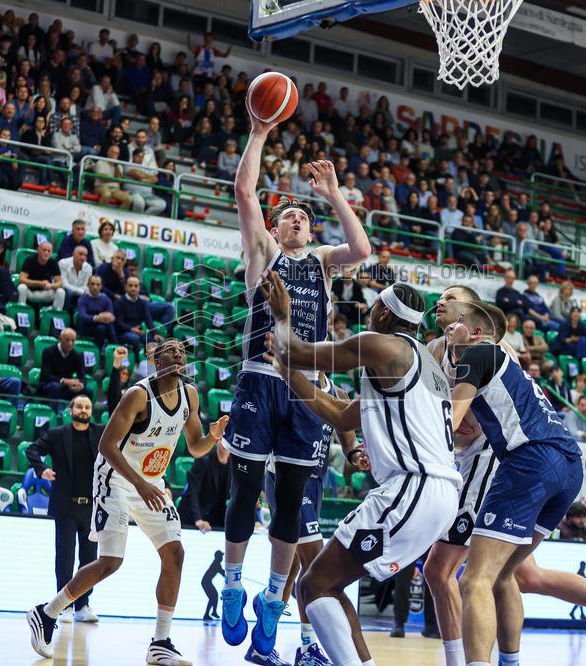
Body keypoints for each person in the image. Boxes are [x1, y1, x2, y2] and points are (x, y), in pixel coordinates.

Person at [218, 101, 369, 660]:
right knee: (245, 489)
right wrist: (258, 133)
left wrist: (333, 195)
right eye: (288, 215)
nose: (297, 219)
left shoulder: (324, 262)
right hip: (261, 379)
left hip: (307, 388)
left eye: (304, 215)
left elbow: (363, 249)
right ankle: (233, 584)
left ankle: (275, 600)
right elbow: (245, 195)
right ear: (276, 229)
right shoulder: (263, 254)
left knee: (289, 503)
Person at [443, 302, 586, 666]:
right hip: (568, 465)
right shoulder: (503, 360)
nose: (452, 326)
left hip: (529, 460)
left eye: (461, 322)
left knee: (473, 580)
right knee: (505, 576)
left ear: (477, 332)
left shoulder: (477, 353)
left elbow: (450, 422)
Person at [261, 276, 458, 666]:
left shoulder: (379, 345)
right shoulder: (423, 365)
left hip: (414, 487)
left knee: (314, 586)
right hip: (438, 495)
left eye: (373, 308)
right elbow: (339, 413)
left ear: (384, 312)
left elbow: (294, 349)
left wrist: (283, 316)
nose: (368, 314)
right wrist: (288, 375)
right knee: (325, 586)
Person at [27, 338, 229, 664]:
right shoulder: (138, 395)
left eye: (183, 351)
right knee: (111, 562)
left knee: (175, 553)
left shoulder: (190, 395)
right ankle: (47, 613)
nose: (178, 354)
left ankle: (161, 642)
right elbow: (106, 445)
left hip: (151, 482)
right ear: (156, 360)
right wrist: (140, 483)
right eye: (171, 351)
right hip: (116, 478)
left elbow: (194, 446)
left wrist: (213, 437)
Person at [261, 373, 364, 666]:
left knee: (292, 567)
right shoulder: (289, 385)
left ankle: (263, 640)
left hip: (314, 482)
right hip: (285, 477)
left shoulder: (338, 394)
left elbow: (349, 443)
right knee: (315, 565)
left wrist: (357, 457)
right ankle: (307, 648)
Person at [26, 394, 105, 623]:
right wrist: (41, 470)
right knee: (65, 558)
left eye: (87, 407)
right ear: (71, 410)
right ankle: (64, 605)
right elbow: (32, 450)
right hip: (66, 506)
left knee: (90, 560)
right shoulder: (58, 434)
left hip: (91, 506)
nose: (83, 410)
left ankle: (83, 605)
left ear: (91, 411)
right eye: (79, 406)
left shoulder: (99, 433)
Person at [178, 444, 230, 532]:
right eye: (223, 439)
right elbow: (193, 492)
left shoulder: (236, 465)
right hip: (192, 518)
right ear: (217, 441)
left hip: (217, 519)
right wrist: (198, 519)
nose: (226, 444)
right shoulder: (204, 459)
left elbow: (243, 494)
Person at [38, 328, 90, 401]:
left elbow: (82, 377)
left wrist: (80, 385)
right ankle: (52, 411)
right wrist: (64, 381)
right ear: (60, 339)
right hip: (49, 384)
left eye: (73, 340)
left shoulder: (77, 356)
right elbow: (45, 375)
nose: (70, 343)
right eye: (67, 340)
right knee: (55, 387)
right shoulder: (48, 351)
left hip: (67, 386)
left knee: (88, 391)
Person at [18, 241, 66, 310]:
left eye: (49, 251)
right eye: (44, 250)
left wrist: (50, 286)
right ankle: (21, 309)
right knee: (21, 287)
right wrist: (39, 283)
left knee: (61, 292)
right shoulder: (29, 260)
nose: (46, 253)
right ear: (38, 250)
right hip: (31, 291)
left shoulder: (53, 263)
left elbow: (59, 283)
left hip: (45, 292)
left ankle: (54, 313)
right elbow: (21, 279)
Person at [77, 275, 116, 351]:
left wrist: (105, 318)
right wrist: (97, 318)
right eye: (92, 284)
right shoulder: (83, 299)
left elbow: (111, 316)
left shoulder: (106, 299)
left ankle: (102, 350)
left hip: (102, 326)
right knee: (102, 327)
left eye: (98, 285)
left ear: (101, 286)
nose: (95, 287)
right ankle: (114, 345)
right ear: (88, 285)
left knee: (103, 327)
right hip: (86, 327)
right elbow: (83, 316)